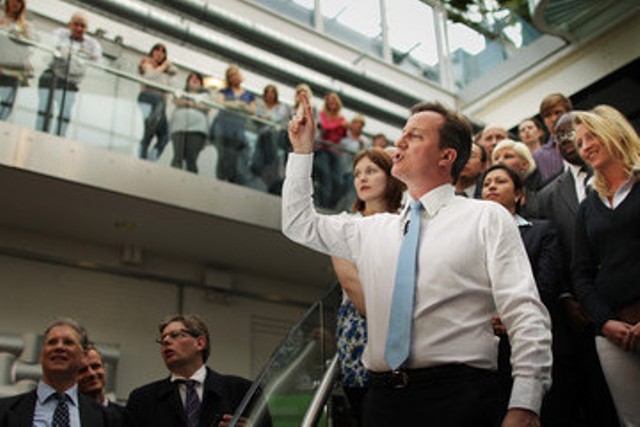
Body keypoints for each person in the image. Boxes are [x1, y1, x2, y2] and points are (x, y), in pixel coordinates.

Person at [283, 93, 552, 426]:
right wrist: (302, 151)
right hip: (382, 402)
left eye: (414, 136)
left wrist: (526, 403)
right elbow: (298, 223)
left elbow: (525, 311)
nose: (399, 142)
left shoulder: (486, 217)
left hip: (461, 397)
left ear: (446, 156)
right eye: (402, 134)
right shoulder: (370, 230)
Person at [537, 112, 620, 427]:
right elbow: (552, 248)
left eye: (574, 132)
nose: (567, 139)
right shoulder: (547, 195)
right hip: (582, 310)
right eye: (559, 135)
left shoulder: (624, 177)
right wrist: (566, 296)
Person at [572, 106, 640, 426]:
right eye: (579, 142)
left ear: (614, 131)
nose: (584, 146)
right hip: (613, 335)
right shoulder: (588, 207)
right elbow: (580, 274)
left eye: (591, 136)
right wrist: (605, 321)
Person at [481, 164, 563, 424]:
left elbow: (545, 283)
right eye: (487, 183)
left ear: (519, 195)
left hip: (527, 334)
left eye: (500, 181)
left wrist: (511, 317)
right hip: (482, 340)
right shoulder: (470, 235)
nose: (491, 187)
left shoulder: (541, 231)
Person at [332, 147, 405, 426]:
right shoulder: (344, 224)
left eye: (371, 171)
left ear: (390, 176)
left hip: (407, 322)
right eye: (357, 174)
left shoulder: (408, 221)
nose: (362, 178)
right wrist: (392, 323)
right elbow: (351, 283)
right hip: (361, 326)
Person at [125, 314, 264, 427]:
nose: (166, 341)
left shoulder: (242, 391)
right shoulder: (142, 400)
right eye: (162, 339)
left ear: (200, 343)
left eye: (175, 335)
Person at [0, 318, 108, 426]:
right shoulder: (4, 410)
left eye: (68, 342)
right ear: (41, 355)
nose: (59, 347)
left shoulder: (105, 417)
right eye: (52, 342)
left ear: (82, 357)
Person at [36, 12, 102, 136]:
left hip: (71, 83)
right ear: (69, 25)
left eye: (83, 26)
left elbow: (98, 62)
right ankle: (40, 133)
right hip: (52, 76)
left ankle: (59, 137)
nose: (79, 28)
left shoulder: (93, 44)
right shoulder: (60, 33)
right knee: (45, 109)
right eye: (76, 24)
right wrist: (79, 55)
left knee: (65, 113)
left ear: (87, 29)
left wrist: (73, 54)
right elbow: (57, 49)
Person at [210, 64, 256, 184]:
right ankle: (220, 179)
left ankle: (232, 180)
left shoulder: (248, 95)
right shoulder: (224, 91)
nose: (233, 77)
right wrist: (237, 105)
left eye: (235, 74)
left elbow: (253, 111)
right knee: (222, 154)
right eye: (230, 76)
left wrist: (243, 106)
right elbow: (220, 103)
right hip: (223, 125)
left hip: (238, 127)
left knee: (235, 155)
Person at [137, 43, 176, 160]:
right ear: (152, 52)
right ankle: (141, 158)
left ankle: (151, 158)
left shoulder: (165, 69)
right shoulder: (146, 63)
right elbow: (150, 77)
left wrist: (165, 66)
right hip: (148, 98)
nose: (160, 53)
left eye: (163, 51)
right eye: (157, 50)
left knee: (165, 136)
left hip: (161, 102)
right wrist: (164, 66)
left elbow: (175, 71)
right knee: (147, 133)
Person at [169, 72, 211, 174]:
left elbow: (206, 107)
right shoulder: (180, 92)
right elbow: (177, 101)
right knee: (177, 157)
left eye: (197, 79)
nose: (194, 80)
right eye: (192, 78)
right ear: (187, 82)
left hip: (197, 130)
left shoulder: (205, 96)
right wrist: (194, 104)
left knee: (191, 159)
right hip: (179, 127)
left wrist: (187, 103)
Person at [251, 84, 290, 187]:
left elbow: (277, 118)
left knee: (271, 160)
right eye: (267, 92)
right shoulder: (261, 104)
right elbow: (256, 118)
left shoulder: (281, 107)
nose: (270, 94)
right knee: (258, 158)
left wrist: (265, 117)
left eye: (272, 92)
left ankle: (271, 180)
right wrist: (265, 117)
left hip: (273, 136)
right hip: (260, 135)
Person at [0, 0, 33, 121]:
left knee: (5, 106)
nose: (16, 4)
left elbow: (29, 44)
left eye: (20, 2)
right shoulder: (1, 19)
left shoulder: (25, 26)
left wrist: (18, 34)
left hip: (12, 70)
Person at [314, 91, 348, 208]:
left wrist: (340, 126)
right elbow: (324, 127)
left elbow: (343, 136)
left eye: (334, 100)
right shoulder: (321, 115)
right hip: (321, 150)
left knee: (338, 180)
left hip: (335, 152)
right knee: (325, 176)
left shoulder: (341, 118)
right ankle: (323, 205)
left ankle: (331, 205)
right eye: (329, 100)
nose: (332, 102)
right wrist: (339, 125)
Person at [78, 345, 125, 426]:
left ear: (104, 369)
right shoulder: (70, 416)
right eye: (82, 370)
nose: (91, 373)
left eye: (95, 367)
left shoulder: (124, 416)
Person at [534, 93, 572, 182]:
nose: (554, 119)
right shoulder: (539, 156)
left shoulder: (585, 139)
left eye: (558, 112)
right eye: (548, 115)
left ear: (569, 113)